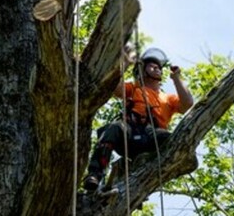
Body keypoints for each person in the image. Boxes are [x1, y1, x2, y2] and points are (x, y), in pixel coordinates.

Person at [83, 47, 194, 192]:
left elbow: (187, 103)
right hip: (130, 132)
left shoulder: (167, 98)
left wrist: (177, 78)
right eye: (152, 66)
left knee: (171, 138)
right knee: (113, 128)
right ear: (142, 71)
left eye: (159, 67)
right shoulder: (134, 88)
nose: (157, 68)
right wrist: (125, 63)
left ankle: (146, 161)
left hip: (153, 135)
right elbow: (115, 87)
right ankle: (95, 174)